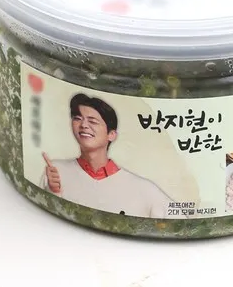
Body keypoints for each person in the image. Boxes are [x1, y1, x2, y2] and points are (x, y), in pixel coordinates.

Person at [40, 93, 172, 218]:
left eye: (92, 121)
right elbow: (46, 219)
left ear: (111, 135)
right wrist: (53, 192)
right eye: (77, 119)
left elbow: (177, 222)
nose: (83, 125)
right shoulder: (56, 171)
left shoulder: (143, 188)